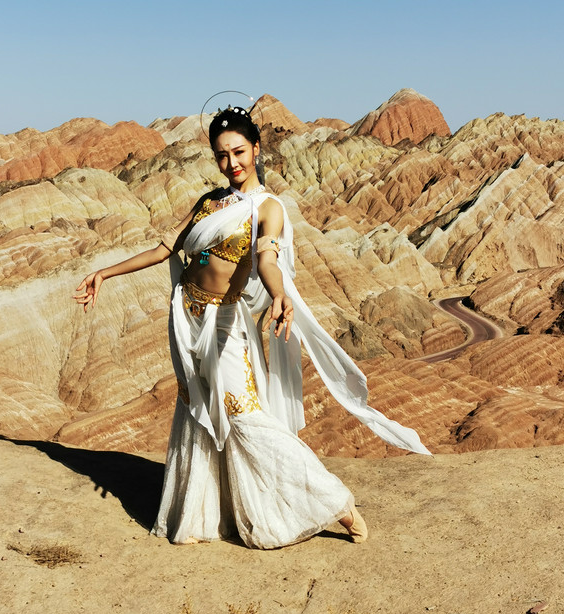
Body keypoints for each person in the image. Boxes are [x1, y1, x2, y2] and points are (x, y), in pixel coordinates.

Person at [74, 105, 430, 549]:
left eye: (239, 152)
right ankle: (205, 514)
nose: (232, 163)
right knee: (196, 410)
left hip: (223, 324)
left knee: (244, 417)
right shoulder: (209, 202)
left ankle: (336, 503)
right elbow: (165, 249)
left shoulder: (268, 208)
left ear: (256, 149)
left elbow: (267, 260)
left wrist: (279, 294)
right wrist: (104, 273)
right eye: (222, 155)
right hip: (186, 316)